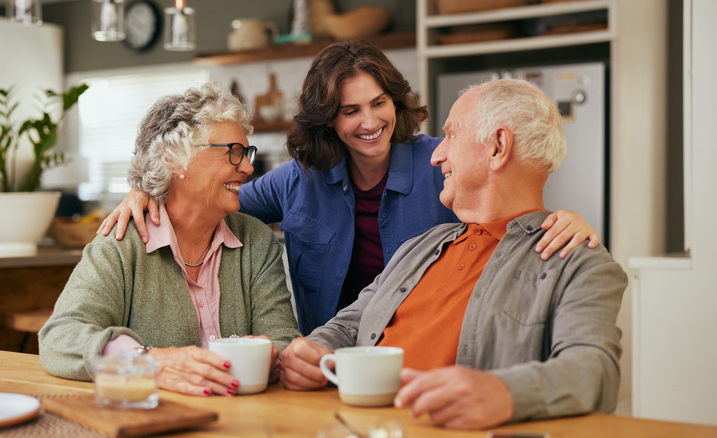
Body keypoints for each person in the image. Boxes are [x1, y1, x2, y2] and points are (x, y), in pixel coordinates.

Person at [98, 40, 600, 335]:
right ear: (328, 120)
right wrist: (149, 192)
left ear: (396, 103)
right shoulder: (301, 177)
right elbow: (209, 202)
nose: (369, 122)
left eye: (379, 103)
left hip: (427, 351)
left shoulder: (439, 161)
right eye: (350, 110)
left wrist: (563, 219)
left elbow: (509, 209)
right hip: (333, 355)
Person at [278, 78, 627, 430]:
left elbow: (595, 370)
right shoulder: (420, 246)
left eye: (452, 135)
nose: (436, 155)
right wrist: (311, 352)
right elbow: (346, 327)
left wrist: (505, 392)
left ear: (497, 147)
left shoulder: (577, 262)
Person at [39, 83, 301, 397]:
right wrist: (148, 361)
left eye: (246, 153)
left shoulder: (256, 241)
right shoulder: (123, 242)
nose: (246, 167)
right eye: (233, 152)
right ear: (175, 159)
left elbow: (283, 341)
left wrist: (273, 355)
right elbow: (60, 337)